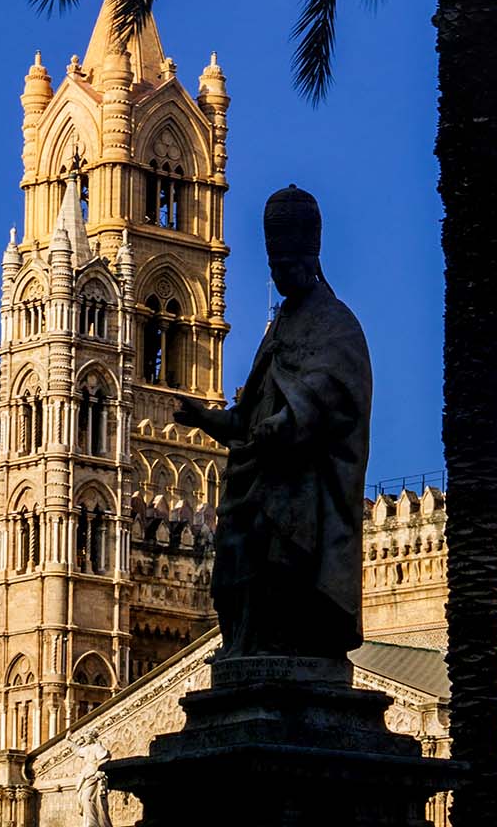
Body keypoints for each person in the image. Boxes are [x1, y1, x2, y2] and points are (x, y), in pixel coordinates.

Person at [174, 185, 372, 659]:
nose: (278, 276)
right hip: (258, 476)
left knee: (277, 550)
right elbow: (249, 415)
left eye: (285, 267)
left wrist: (289, 421)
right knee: (235, 560)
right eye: (273, 267)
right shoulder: (282, 323)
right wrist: (205, 419)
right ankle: (247, 646)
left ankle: (282, 649)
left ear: (309, 262)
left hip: (302, 487)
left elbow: (333, 390)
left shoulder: (336, 324)